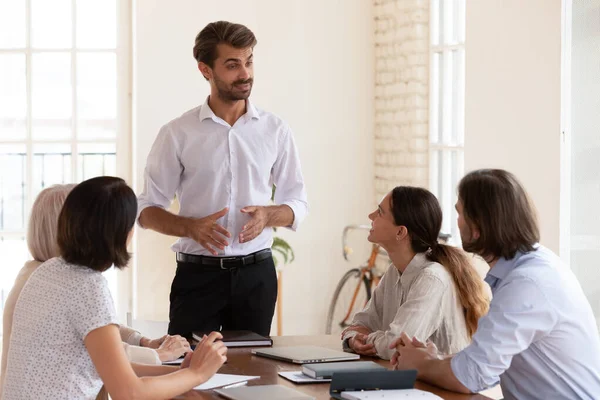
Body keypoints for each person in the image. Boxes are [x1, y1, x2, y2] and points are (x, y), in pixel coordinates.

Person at [137, 20, 308, 337]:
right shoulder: (177, 134)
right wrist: (190, 227)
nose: (245, 73)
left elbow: (297, 202)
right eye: (232, 65)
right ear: (206, 70)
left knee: (254, 375)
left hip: (256, 276)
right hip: (196, 277)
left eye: (249, 61)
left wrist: (268, 215)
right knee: (185, 371)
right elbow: (146, 210)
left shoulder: (275, 130)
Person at [2, 177, 226, 400]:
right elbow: (129, 393)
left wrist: (182, 374)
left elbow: (113, 368)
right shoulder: (88, 288)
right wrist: (197, 373)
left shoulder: (48, 271)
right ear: (122, 234)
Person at [391, 169, 600, 400]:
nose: (457, 222)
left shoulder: (527, 284)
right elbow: (483, 361)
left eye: (459, 213)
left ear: (478, 226)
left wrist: (419, 364)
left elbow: (471, 376)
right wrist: (433, 360)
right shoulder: (529, 269)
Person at [341, 186, 488, 360]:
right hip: (408, 380)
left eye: (380, 212)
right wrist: (353, 339)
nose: (371, 216)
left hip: (438, 385)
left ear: (400, 232)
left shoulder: (432, 279)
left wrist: (370, 338)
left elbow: (396, 346)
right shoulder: (394, 272)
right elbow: (362, 323)